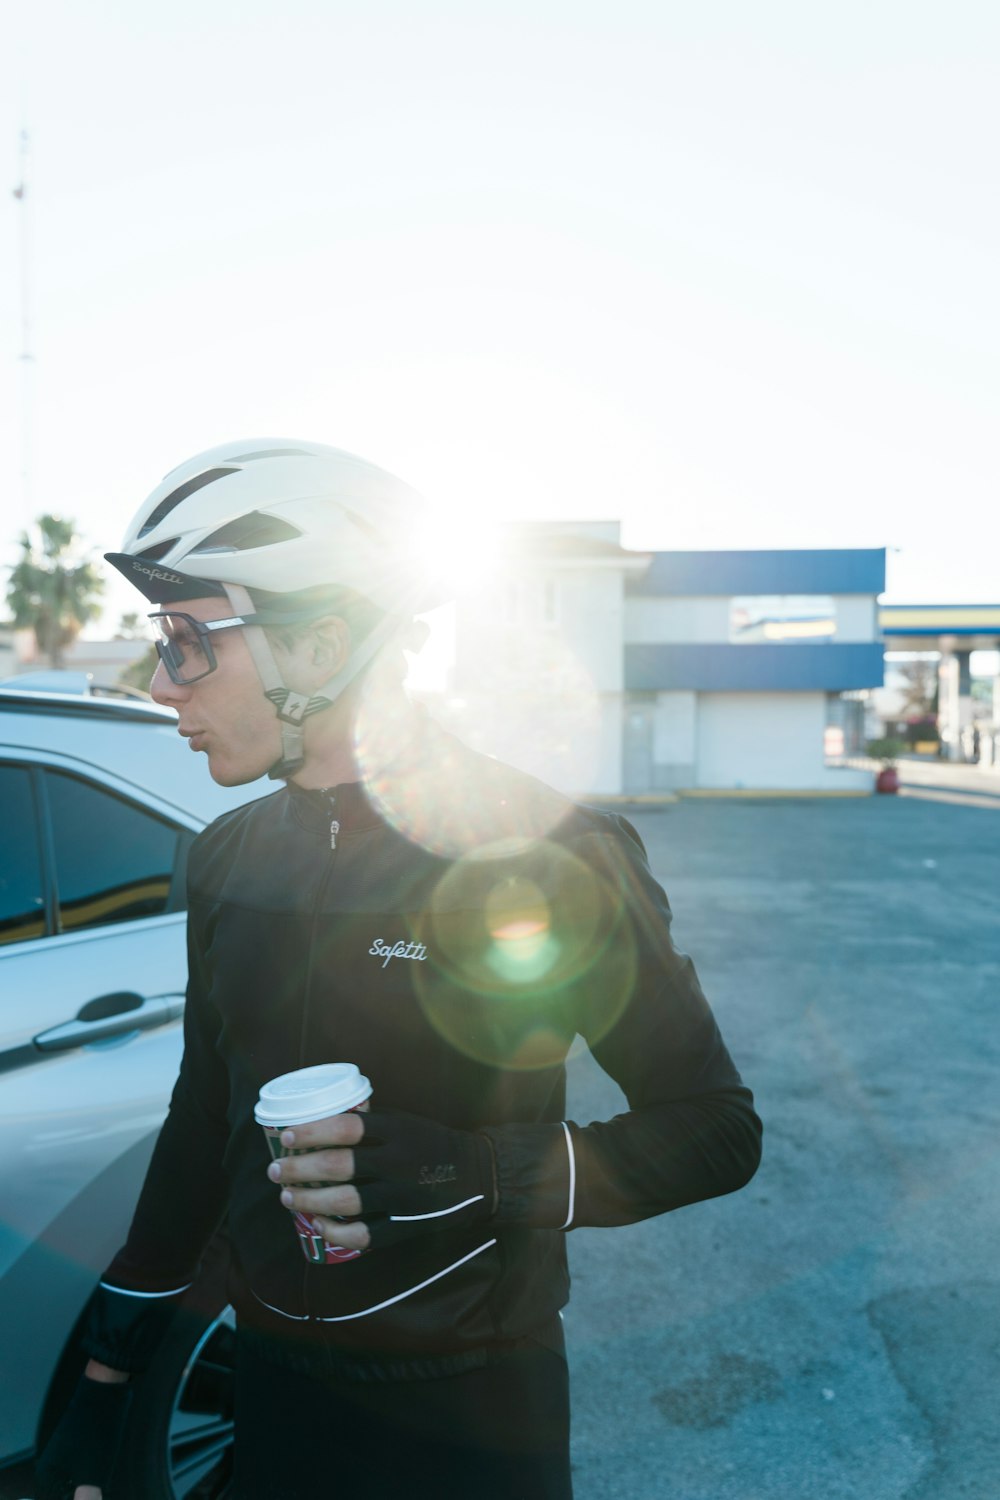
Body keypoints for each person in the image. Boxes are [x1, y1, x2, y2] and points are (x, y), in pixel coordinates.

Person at [35, 440, 762, 1500]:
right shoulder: (230, 856)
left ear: (322, 642)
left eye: (188, 642)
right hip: (274, 1399)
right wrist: (109, 1368)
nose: (159, 683)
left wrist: (472, 1179)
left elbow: (713, 1129)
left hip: (472, 1415)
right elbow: (205, 1122)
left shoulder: (549, 850)